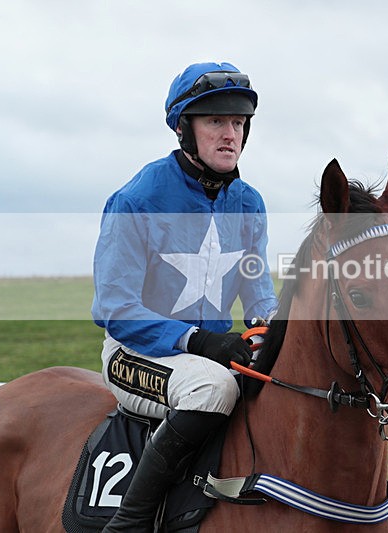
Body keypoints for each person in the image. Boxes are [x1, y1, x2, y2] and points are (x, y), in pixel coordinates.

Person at [91, 61, 278, 531]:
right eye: (215, 121)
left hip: (209, 353)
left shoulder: (249, 203)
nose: (229, 134)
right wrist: (197, 341)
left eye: (238, 123)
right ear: (183, 128)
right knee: (213, 389)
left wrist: (272, 334)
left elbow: (259, 296)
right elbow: (116, 310)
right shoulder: (136, 200)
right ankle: (130, 521)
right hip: (135, 353)